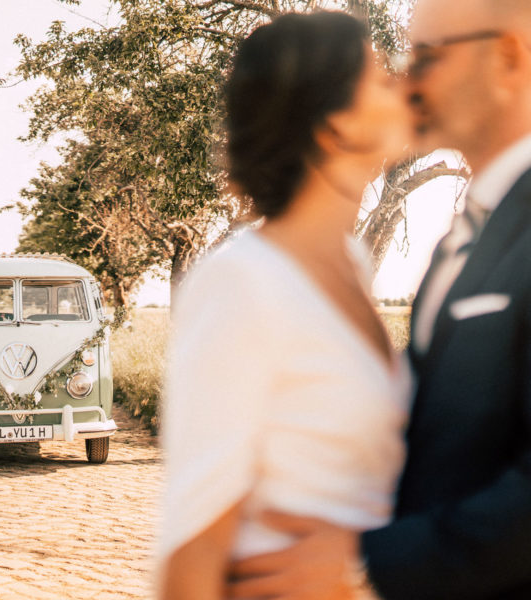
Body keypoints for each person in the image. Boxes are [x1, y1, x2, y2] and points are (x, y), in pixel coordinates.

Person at [227, 0, 531, 598]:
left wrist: (364, 563)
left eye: (427, 56)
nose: (407, 81)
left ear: (506, 58)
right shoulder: (459, 242)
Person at [157, 11, 412, 600]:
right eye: (378, 76)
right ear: (332, 125)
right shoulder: (243, 283)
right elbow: (195, 541)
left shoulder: (354, 265)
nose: (400, 82)